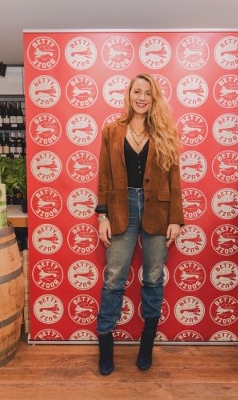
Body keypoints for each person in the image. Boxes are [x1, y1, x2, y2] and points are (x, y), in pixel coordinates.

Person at [95, 72, 184, 375]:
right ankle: (105, 346)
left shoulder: (165, 132)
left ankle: (147, 345)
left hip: (157, 210)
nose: (142, 97)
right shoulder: (112, 131)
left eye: (147, 93)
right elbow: (104, 176)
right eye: (137, 91)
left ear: (153, 97)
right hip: (121, 210)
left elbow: (174, 179)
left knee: (153, 278)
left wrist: (175, 219)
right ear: (129, 95)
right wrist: (103, 216)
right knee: (114, 279)